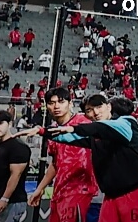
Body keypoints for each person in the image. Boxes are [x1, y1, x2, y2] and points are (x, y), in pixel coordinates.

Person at [48, 96, 138, 222]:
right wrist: (41, 131)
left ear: (109, 107)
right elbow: (69, 138)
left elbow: (101, 127)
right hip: (110, 194)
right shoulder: (95, 134)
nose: (95, 112)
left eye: (99, 107)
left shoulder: (126, 122)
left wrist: (74, 128)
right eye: (89, 110)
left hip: (133, 191)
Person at [31, 87, 99, 222]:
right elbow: (56, 164)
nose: (56, 106)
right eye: (51, 103)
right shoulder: (53, 132)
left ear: (70, 103)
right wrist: (40, 188)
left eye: (61, 102)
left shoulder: (85, 123)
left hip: (82, 191)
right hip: (60, 192)